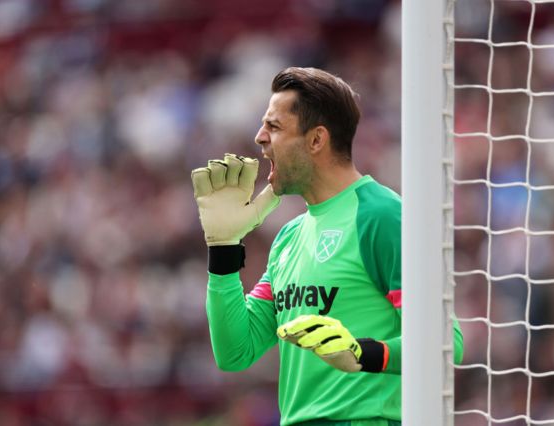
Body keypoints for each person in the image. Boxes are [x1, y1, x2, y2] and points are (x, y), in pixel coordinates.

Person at [191, 67, 464, 426]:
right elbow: (235, 352)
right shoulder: (289, 237)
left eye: (274, 127)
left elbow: (448, 345)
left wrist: (363, 353)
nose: (259, 138)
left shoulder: (381, 216)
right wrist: (224, 248)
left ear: (316, 140)